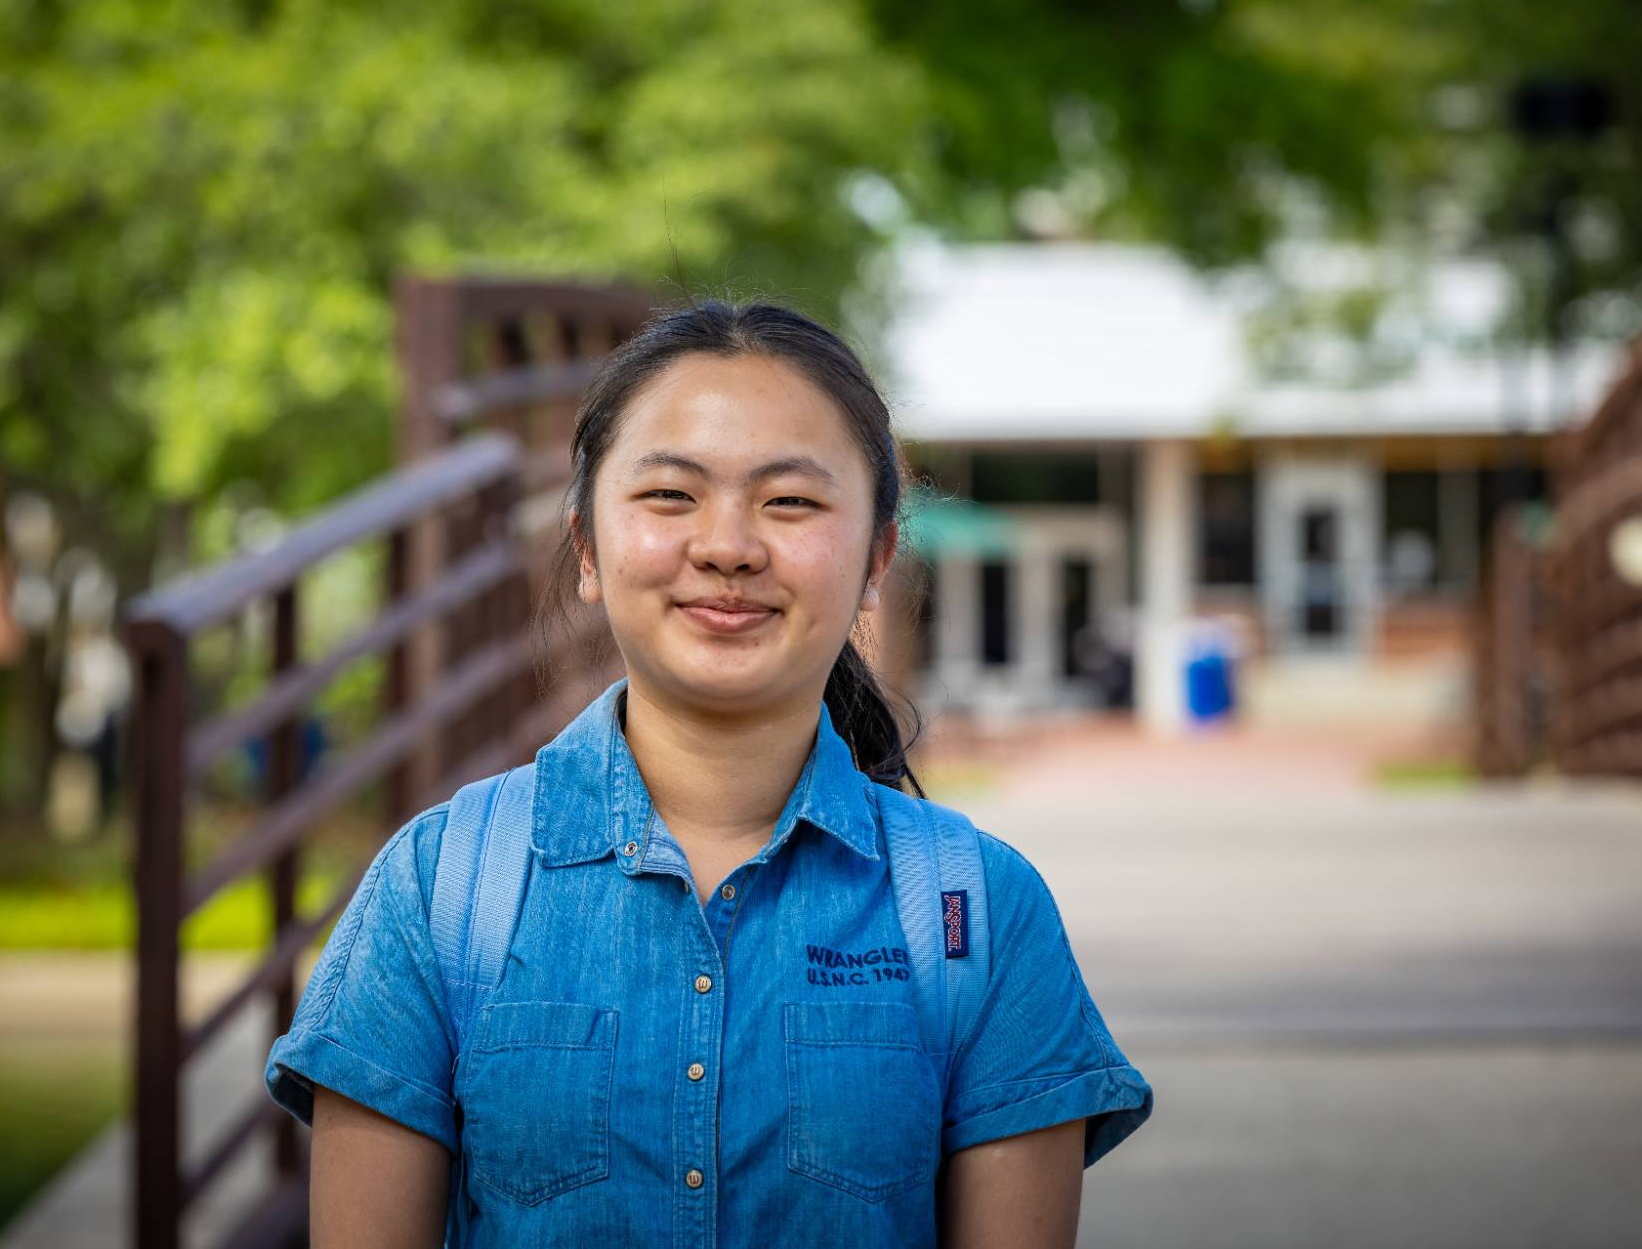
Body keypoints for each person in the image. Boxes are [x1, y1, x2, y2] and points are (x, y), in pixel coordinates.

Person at [263, 301, 1153, 1247]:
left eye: (792, 502)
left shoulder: (978, 913)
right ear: (587, 552)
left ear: (877, 558)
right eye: (670, 496)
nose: (727, 547)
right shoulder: (440, 888)